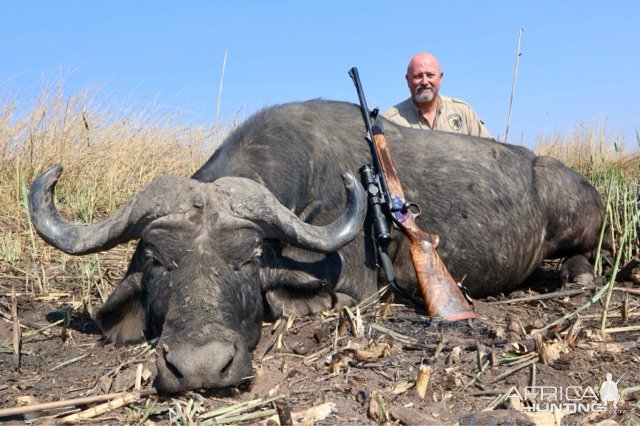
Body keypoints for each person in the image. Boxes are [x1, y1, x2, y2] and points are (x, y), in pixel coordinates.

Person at [384, 52, 492, 138]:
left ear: (440, 78)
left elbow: (490, 152)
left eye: (430, 75)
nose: (425, 82)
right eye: (418, 76)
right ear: (407, 80)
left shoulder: (463, 112)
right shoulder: (390, 121)